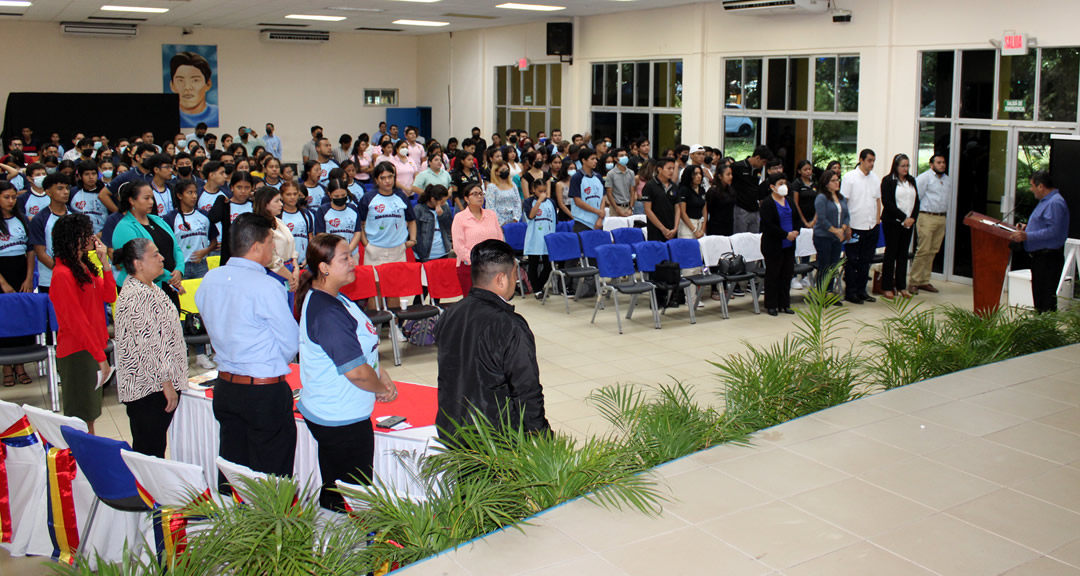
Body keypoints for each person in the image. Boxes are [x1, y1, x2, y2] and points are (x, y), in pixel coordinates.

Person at [294, 233, 398, 510]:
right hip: (341, 417)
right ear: (324, 267)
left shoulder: (335, 299)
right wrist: (380, 387)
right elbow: (356, 372)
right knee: (352, 495)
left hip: (339, 412)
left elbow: (360, 349)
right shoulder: (327, 311)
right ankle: (351, 545)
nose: (353, 261)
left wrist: (381, 371)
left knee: (337, 486)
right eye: (345, 257)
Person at [196, 213, 299, 487]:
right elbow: (290, 341)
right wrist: (266, 361)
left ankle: (236, 528)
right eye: (270, 243)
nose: (274, 250)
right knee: (271, 479)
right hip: (262, 390)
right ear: (256, 246)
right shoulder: (266, 285)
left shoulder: (211, 279)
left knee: (234, 470)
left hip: (227, 387)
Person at [435, 239, 549, 444]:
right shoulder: (510, 325)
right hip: (496, 440)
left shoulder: (450, 314)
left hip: (453, 429)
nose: (517, 281)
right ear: (501, 279)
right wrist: (541, 438)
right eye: (515, 275)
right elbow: (526, 390)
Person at [112, 238, 186, 457]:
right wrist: (167, 383)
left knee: (154, 448)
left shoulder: (151, 287)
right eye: (154, 255)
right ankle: (146, 492)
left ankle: (152, 490)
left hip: (157, 385)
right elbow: (149, 345)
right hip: (149, 388)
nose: (162, 257)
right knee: (149, 451)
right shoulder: (135, 295)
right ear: (138, 264)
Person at [49, 214, 116, 434]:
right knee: (81, 417)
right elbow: (76, 322)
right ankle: (80, 462)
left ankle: (87, 460)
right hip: (78, 350)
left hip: (92, 346)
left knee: (90, 414)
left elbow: (109, 296)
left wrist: (105, 262)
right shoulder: (62, 274)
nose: (91, 237)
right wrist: (99, 357)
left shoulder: (83, 266)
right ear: (73, 238)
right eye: (85, 233)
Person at [110, 181, 187, 310]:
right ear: (132, 201)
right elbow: (139, 262)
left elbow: (176, 248)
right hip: (141, 291)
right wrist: (171, 278)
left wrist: (179, 270)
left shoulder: (157, 220)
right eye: (146, 198)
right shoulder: (124, 227)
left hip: (168, 285)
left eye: (152, 197)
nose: (151, 202)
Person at [1011, 171, 1070, 313]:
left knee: (1046, 302)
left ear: (1041, 186)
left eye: (1032, 186)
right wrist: (1028, 228)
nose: (1031, 190)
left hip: (1048, 259)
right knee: (1039, 299)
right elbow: (1044, 225)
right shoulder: (1046, 201)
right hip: (1040, 258)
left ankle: (1046, 333)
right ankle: (1040, 332)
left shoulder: (1055, 203)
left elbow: (1053, 231)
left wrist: (1027, 236)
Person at [0, 181, 35, 386]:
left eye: (14, 197)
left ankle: (21, 366)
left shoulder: (21, 220)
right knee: (5, 321)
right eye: (6, 197)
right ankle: (6, 367)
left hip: (21, 273)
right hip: (2, 275)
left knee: (21, 319)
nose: (11, 201)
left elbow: (30, 250)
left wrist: (29, 278)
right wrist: (3, 283)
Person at [842, 149, 882, 305]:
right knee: (852, 261)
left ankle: (861, 290)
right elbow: (844, 202)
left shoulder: (875, 179)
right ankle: (850, 292)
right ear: (861, 160)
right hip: (855, 226)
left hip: (871, 225)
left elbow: (877, 200)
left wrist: (877, 220)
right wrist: (847, 225)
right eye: (869, 160)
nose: (871, 163)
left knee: (866, 261)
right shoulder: (849, 178)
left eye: (873, 161)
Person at [357, 163, 416, 269]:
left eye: (390, 177)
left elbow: (411, 220)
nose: (387, 181)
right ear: (376, 180)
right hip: (374, 250)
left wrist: (412, 239)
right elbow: (360, 224)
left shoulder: (401, 196)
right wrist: (366, 244)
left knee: (398, 283)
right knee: (376, 283)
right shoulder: (368, 198)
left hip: (399, 249)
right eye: (383, 178)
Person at [880, 154, 921, 300]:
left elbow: (917, 202)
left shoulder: (911, 181)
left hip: (908, 224)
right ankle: (887, 287)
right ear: (896, 166)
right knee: (891, 254)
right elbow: (887, 202)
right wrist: (903, 218)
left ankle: (901, 286)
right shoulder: (888, 181)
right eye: (903, 166)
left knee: (903, 254)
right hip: (893, 222)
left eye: (907, 166)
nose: (905, 168)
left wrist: (912, 219)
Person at [452, 182, 503, 294]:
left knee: (493, 300)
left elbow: (500, 239)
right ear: (466, 198)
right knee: (473, 302)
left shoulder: (491, 215)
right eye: (475, 194)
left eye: (481, 193)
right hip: (469, 266)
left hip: (492, 265)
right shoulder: (460, 218)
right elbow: (458, 246)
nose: (479, 197)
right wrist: (475, 260)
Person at [759, 173, 799, 317]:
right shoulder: (768, 203)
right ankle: (771, 304)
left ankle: (785, 303)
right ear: (772, 187)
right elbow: (769, 225)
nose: (784, 186)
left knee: (786, 274)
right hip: (774, 244)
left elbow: (796, 218)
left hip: (789, 244)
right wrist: (785, 234)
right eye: (780, 183)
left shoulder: (789, 201)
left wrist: (795, 231)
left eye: (785, 183)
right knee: (773, 274)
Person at [910, 154, 950, 294]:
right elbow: (916, 197)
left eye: (943, 162)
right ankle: (914, 281)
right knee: (923, 250)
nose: (942, 165)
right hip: (926, 216)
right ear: (931, 165)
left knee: (933, 250)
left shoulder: (947, 179)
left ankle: (924, 281)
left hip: (941, 217)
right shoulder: (924, 178)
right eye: (939, 162)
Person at [27, 173, 72, 295]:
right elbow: (41, 254)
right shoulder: (39, 219)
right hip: (50, 279)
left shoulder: (75, 215)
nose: (65, 192)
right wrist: (62, 272)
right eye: (60, 188)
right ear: (48, 192)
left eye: (67, 188)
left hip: (75, 277)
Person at [163, 178, 216, 281]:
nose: (194, 196)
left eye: (195, 192)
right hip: (181, 267)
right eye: (190, 193)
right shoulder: (170, 218)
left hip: (201, 265)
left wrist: (205, 251)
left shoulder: (204, 215)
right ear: (179, 196)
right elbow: (166, 245)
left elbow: (214, 242)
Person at [253, 185, 299, 293]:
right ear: (266, 204)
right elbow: (271, 260)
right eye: (277, 201)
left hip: (290, 269)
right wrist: (289, 276)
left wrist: (296, 268)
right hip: (274, 273)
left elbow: (291, 245)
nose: (281, 204)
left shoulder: (279, 221)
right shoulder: (260, 226)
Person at [813, 170, 850, 300]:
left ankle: (829, 292)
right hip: (823, 237)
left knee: (834, 265)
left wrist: (843, 229)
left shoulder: (841, 197)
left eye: (837, 179)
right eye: (833, 180)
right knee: (825, 265)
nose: (837, 182)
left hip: (837, 237)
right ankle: (821, 294)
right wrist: (837, 231)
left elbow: (846, 216)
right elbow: (822, 219)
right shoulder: (821, 198)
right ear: (826, 183)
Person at [208, 171, 255, 264]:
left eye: (247, 188)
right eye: (239, 187)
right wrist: (220, 200)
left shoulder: (254, 206)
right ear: (232, 187)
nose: (243, 191)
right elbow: (213, 218)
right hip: (229, 255)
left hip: (251, 254)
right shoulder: (225, 205)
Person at [523, 177, 556, 300]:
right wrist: (539, 202)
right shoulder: (528, 202)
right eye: (540, 191)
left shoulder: (551, 202)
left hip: (548, 237)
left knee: (548, 266)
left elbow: (554, 220)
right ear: (533, 190)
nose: (543, 194)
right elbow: (531, 216)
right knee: (534, 264)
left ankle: (539, 286)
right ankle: (537, 290)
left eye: (544, 191)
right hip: (534, 237)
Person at [315, 179, 362, 257]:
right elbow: (320, 235)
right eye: (336, 196)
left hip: (351, 253)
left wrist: (348, 251)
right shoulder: (322, 210)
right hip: (330, 255)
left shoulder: (353, 209)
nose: (340, 198)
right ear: (330, 195)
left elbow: (357, 232)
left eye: (343, 195)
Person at [791, 160, 817, 290]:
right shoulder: (796, 184)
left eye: (810, 169)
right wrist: (804, 221)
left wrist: (813, 221)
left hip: (813, 219)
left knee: (807, 246)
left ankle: (805, 275)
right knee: (798, 246)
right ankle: (794, 275)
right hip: (800, 219)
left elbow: (818, 201)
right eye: (805, 169)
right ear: (799, 171)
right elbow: (795, 204)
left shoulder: (814, 184)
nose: (808, 172)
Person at [643, 157, 680, 243]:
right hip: (656, 230)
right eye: (669, 168)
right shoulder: (650, 186)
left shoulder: (674, 186)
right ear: (659, 169)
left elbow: (677, 208)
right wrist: (662, 228)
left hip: (672, 230)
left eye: (673, 168)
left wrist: (675, 228)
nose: (671, 171)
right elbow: (647, 210)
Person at [279, 179, 315, 268]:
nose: (292, 197)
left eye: (295, 194)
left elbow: (310, 238)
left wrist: (309, 257)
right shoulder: (278, 215)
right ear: (281, 196)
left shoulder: (307, 214)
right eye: (288, 194)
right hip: (285, 264)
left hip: (304, 263)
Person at [413, 184, 453, 263]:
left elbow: (450, 228)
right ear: (433, 199)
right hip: (425, 253)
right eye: (442, 202)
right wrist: (422, 254)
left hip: (443, 251)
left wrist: (442, 216)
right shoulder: (419, 209)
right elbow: (416, 233)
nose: (444, 204)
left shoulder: (445, 208)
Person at [568, 149, 605, 233]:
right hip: (582, 222)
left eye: (596, 159)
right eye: (592, 159)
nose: (595, 161)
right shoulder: (576, 178)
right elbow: (578, 201)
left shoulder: (598, 176)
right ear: (583, 160)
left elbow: (603, 197)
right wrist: (598, 212)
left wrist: (600, 216)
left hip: (598, 221)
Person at [69, 160, 108, 236]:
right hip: (79, 236)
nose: (91, 177)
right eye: (87, 174)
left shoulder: (105, 192)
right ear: (80, 176)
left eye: (93, 174)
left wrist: (104, 232)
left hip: (103, 235)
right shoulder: (72, 192)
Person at [485, 160, 521, 227]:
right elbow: (490, 207)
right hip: (498, 222)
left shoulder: (513, 185)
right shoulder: (492, 187)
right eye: (503, 169)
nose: (506, 171)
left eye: (507, 169)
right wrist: (501, 223)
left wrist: (515, 219)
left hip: (513, 221)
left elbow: (518, 202)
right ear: (496, 172)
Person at [677, 164, 707, 240]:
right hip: (687, 224)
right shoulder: (684, 190)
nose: (699, 176)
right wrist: (694, 230)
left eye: (700, 173)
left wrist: (702, 229)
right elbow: (682, 213)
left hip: (700, 223)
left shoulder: (702, 189)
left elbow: (704, 210)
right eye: (695, 174)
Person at [604, 148, 636, 217]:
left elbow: (632, 191)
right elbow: (609, 193)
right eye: (621, 155)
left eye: (625, 155)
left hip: (628, 207)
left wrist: (631, 208)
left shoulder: (631, 172)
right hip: (616, 207)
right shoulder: (610, 174)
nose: (624, 157)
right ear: (616, 159)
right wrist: (617, 209)